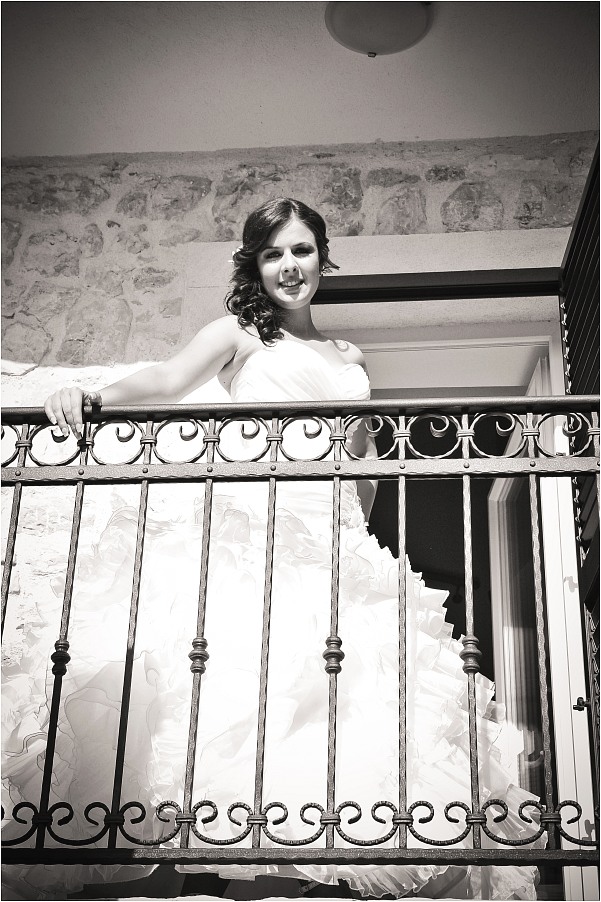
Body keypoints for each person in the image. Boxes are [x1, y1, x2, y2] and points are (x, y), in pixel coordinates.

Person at [3, 199, 540, 901]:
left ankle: (311, 850)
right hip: (258, 529)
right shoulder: (238, 333)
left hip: (336, 542)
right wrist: (90, 396)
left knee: (340, 702)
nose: (290, 266)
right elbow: (165, 380)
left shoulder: (349, 356)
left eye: (302, 250)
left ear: (323, 257)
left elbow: (359, 459)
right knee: (245, 685)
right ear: (255, 265)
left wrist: (358, 540)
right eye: (273, 253)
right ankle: (212, 856)